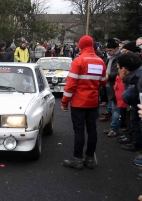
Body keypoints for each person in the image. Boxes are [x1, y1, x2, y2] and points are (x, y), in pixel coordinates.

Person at [61, 35, 106, 170]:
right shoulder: (100, 61)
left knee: (79, 131)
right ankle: (90, 158)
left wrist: (64, 102)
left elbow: (70, 85)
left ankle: (77, 159)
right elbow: (103, 82)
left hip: (79, 103)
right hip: (93, 102)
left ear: (80, 46)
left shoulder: (78, 61)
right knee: (92, 130)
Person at [117, 52, 142, 152]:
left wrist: (124, 79)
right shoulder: (137, 76)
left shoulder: (139, 80)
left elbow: (128, 97)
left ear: (124, 69)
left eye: (118, 68)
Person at [99, 38, 121, 122]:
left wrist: (108, 76)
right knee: (110, 102)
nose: (109, 52)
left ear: (116, 49)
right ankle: (109, 116)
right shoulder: (108, 57)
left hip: (114, 83)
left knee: (114, 106)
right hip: (107, 82)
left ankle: (114, 126)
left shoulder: (119, 57)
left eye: (110, 50)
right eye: (107, 50)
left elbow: (118, 71)